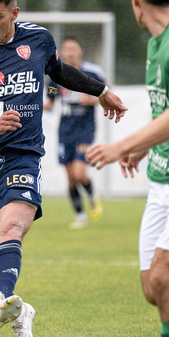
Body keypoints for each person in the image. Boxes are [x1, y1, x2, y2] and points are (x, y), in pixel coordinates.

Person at [0, 0, 126, 337]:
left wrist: (102, 91)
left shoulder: (38, 40)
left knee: (10, 228)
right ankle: (17, 308)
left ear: (14, 12)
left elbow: (59, 72)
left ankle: (1, 302)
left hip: (22, 155)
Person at [86, 0, 169, 337]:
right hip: (164, 181)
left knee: (167, 280)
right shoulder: (156, 43)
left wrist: (121, 147)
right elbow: (168, 113)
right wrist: (145, 149)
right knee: (154, 287)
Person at [44, 36, 105, 229]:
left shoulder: (93, 72)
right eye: (66, 49)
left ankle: (93, 194)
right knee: (70, 177)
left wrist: (93, 100)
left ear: (80, 50)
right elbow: (51, 103)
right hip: (65, 131)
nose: (70, 52)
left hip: (85, 129)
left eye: (73, 49)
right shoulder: (56, 76)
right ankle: (80, 216)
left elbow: (107, 96)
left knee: (79, 173)